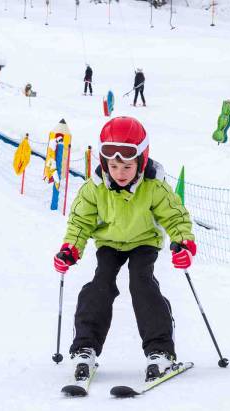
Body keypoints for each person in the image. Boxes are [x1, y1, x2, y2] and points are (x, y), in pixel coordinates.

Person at [53, 116, 195, 382]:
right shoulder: (94, 188)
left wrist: (183, 242)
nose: (120, 173)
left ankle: (160, 350)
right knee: (100, 284)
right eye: (114, 166)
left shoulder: (154, 186)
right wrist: (70, 249)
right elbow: (81, 221)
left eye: (127, 166)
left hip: (144, 241)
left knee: (141, 282)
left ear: (141, 161)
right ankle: (86, 347)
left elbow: (175, 217)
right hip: (109, 243)